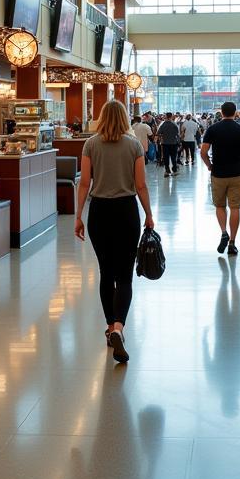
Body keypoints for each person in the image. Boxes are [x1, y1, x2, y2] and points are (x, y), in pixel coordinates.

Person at [75, 100, 154, 365]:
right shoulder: (134, 146)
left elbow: (85, 182)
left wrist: (78, 217)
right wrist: (149, 215)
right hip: (126, 211)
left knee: (106, 273)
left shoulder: (90, 144)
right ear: (124, 119)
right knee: (125, 276)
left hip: (99, 212)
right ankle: (120, 326)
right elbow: (140, 185)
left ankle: (110, 327)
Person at [200, 101, 240, 257]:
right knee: (235, 207)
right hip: (237, 173)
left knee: (220, 206)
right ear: (235, 113)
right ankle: (232, 243)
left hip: (218, 173)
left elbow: (203, 152)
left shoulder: (212, 129)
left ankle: (224, 232)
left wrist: (210, 165)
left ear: (221, 112)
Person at [157, 112, 181, 177]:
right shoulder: (175, 124)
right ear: (171, 116)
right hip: (173, 143)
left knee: (166, 157)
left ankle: (167, 171)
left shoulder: (163, 124)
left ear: (166, 116)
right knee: (173, 157)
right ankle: (175, 170)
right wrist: (179, 143)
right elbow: (178, 134)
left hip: (165, 144)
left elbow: (158, 133)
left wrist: (163, 135)